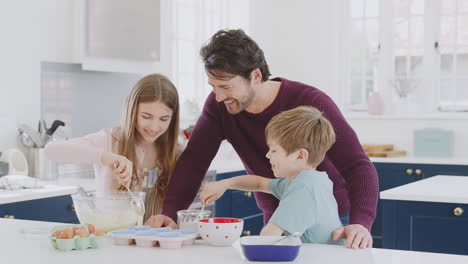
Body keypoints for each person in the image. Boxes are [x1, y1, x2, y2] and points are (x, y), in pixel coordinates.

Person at [146, 29, 378, 249]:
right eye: (213, 87)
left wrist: (361, 222)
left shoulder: (310, 101)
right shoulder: (220, 108)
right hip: (276, 216)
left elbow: (358, 166)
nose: (218, 97)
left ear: (255, 75)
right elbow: (193, 162)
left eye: (225, 86)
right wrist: (170, 213)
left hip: (330, 220)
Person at [44, 73, 181, 221]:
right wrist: (105, 157)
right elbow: (51, 151)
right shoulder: (110, 140)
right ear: (132, 110)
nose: (154, 126)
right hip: (112, 239)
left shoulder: (175, 151)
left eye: (164, 119)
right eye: (146, 117)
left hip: (157, 240)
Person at [200, 106, 344, 245]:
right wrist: (225, 184)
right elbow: (259, 183)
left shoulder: (303, 187)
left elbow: (268, 236)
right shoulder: (309, 180)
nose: (268, 155)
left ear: (300, 155)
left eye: (274, 150)